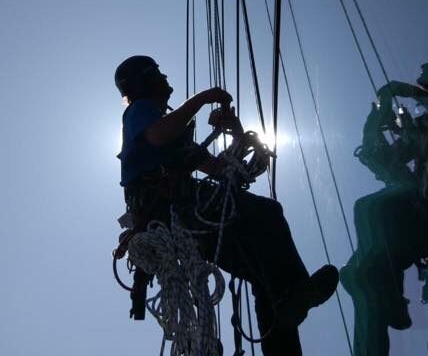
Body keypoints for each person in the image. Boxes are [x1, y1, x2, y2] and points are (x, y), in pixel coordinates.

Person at [115, 55, 339, 356]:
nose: (165, 76)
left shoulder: (177, 138)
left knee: (261, 272)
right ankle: (293, 291)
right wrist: (205, 97)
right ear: (144, 82)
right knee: (267, 213)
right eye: (156, 73)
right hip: (172, 209)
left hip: (184, 216)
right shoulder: (140, 111)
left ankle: (284, 329)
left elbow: (222, 170)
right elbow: (158, 135)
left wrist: (234, 129)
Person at [341, 42, 428, 356]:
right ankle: (384, 303)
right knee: (357, 275)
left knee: (374, 208)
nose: (423, 67)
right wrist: (374, 123)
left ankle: (390, 295)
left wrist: (409, 92)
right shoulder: (426, 126)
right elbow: (382, 161)